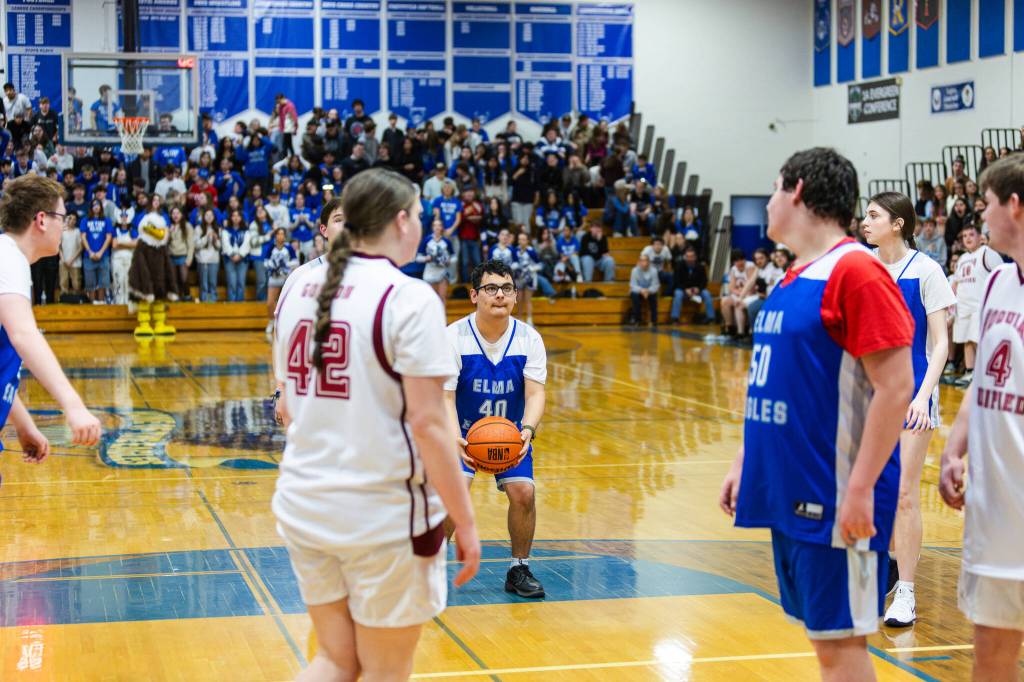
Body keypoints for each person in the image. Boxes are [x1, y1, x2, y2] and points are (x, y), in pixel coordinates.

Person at [273, 168, 480, 682]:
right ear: (401, 219)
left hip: (304, 502)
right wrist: (467, 520)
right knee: (386, 673)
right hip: (381, 517)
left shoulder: (299, 286)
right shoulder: (408, 297)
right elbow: (431, 426)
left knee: (334, 661)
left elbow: (292, 400)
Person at [719, 148, 914, 682]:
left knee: (842, 649)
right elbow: (776, 380)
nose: (770, 200)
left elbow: (896, 388)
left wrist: (859, 489)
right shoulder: (795, 275)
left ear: (798, 191)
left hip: (833, 499)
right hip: (789, 490)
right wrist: (744, 459)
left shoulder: (858, 271)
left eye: (775, 188)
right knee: (824, 642)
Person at [939, 154, 1024, 682]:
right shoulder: (998, 283)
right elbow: (983, 384)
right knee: (990, 655)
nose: (981, 217)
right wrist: (954, 445)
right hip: (995, 515)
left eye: (987, 205)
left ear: (1015, 206)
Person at [861, 192, 956, 628]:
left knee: (903, 493)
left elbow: (941, 343)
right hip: (869, 394)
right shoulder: (863, 267)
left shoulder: (926, 270)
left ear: (897, 223)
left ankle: (908, 593)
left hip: (913, 393)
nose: (865, 221)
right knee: (872, 489)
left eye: (874, 215)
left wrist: (923, 395)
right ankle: (886, 567)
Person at [444, 259, 546, 598]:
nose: (499, 295)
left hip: (509, 436)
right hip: (460, 434)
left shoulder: (529, 338)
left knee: (524, 493)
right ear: (474, 295)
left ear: (515, 296)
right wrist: (452, 435)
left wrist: (527, 430)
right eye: (490, 288)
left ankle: (519, 568)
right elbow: (444, 396)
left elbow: (535, 393)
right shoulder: (453, 337)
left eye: (506, 288)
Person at [0, 175, 103, 468]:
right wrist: (73, 405)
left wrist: (23, 425)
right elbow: (24, 335)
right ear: (42, 220)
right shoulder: (8, 257)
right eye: (63, 217)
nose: (66, 225)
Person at [952, 224, 1001, 386]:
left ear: (980, 237)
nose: (967, 238)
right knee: (967, 341)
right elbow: (956, 283)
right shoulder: (962, 259)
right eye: (964, 236)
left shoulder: (987, 253)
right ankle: (969, 372)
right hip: (964, 307)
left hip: (981, 306)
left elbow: (1001, 276)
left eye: (971, 235)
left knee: (977, 340)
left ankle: (984, 374)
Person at [670, 245, 715, 325]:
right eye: (687, 256)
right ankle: (675, 318)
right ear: (685, 257)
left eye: (691, 256)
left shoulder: (701, 267)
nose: (689, 259)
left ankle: (711, 318)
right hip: (683, 290)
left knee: (707, 293)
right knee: (678, 293)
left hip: (697, 290)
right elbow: (676, 281)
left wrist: (698, 289)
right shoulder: (679, 266)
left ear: (695, 257)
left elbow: (704, 281)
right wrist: (685, 289)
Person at [81, 200, 114, 304]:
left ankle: (101, 304)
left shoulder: (107, 220)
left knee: (103, 283)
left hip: (103, 256)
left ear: (101, 207)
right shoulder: (85, 220)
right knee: (90, 284)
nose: (96, 207)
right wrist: (90, 252)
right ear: (91, 207)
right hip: (88, 256)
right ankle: (92, 305)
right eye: (94, 205)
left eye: (98, 205)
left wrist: (100, 252)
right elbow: (83, 237)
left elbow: (108, 238)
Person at [720, 249, 756, 338]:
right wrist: (739, 293)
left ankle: (742, 331)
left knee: (738, 303)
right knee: (724, 301)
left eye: (741, 259)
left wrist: (741, 294)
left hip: (750, 294)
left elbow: (751, 286)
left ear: (744, 259)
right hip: (740, 293)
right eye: (737, 260)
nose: (740, 262)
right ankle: (730, 327)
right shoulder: (733, 269)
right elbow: (731, 288)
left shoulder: (750, 266)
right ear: (733, 261)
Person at [417, 218, 454, 304]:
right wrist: (426, 258)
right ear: (432, 227)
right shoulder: (427, 240)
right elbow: (418, 258)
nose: (437, 227)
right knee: (432, 299)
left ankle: (442, 317)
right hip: (430, 272)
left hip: (442, 272)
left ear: (442, 227)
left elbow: (454, 257)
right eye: (435, 225)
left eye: (439, 225)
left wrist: (449, 261)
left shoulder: (446, 241)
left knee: (442, 297)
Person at [629, 254, 661, 327]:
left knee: (654, 296)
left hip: (649, 291)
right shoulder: (634, 270)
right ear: (639, 262)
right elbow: (633, 285)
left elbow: (656, 285)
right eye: (642, 261)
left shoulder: (654, 271)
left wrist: (648, 291)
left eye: (646, 260)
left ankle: (654, 320)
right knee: (634, 295)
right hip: (639, 291)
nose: (644, 263)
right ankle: (637, 320)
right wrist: (642, 290)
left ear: (649, 262)